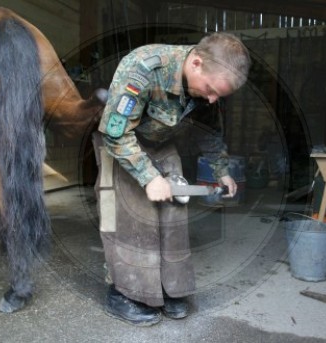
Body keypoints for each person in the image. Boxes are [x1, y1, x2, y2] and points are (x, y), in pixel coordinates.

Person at [92, 32, 251, 326]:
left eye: (219, 95)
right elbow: (115, 134)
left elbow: (210, 131)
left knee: (176, 208)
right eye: (211, 89)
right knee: (131, 216)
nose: (213, 98)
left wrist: (222, 171)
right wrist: (149, 177)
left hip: (160, 141)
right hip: (121, 141)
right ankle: (122, 292)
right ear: (197, 63)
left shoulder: (207, 86)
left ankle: (170, 288)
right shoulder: (143, 67)